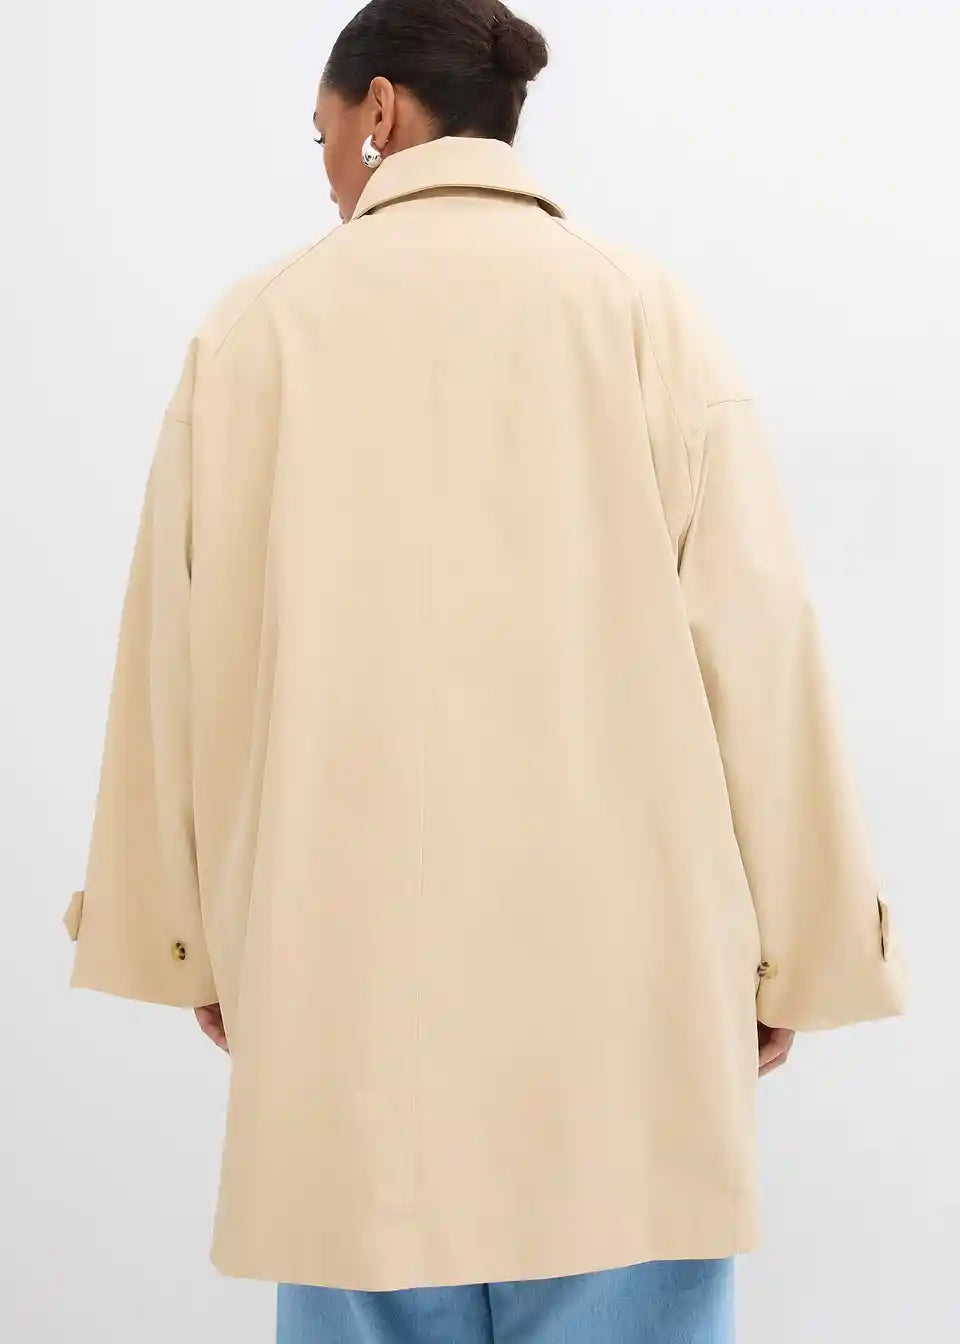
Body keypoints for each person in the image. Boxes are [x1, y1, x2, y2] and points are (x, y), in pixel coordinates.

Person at [61, 1, 909, 1340]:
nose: (327, 173)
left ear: (380, 111)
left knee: (361, 1252)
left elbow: (171, 660)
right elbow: (760, 647)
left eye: (324, 139)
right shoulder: (645, 315)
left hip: (342, 994)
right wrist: (798, 955)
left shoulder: (258, 332)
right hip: (628, 1006)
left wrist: (187, 934)